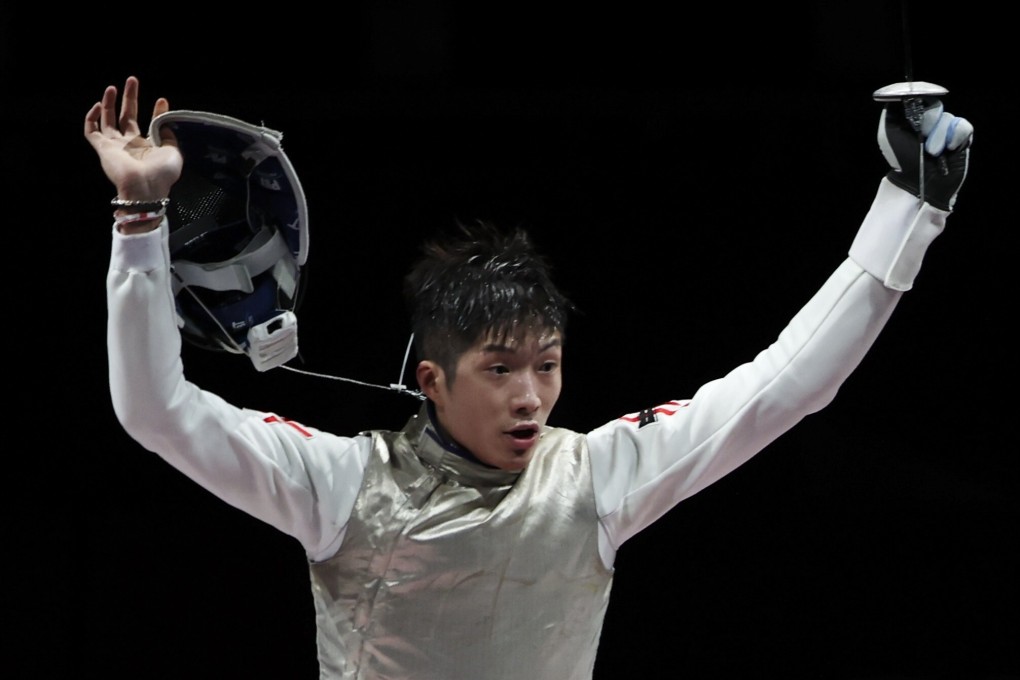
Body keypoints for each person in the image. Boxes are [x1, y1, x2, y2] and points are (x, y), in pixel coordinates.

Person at [85, 75, 974, 680]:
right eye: (500, 368)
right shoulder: (342, 486)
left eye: (546, 366)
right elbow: (157, 410)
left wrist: (910, 208)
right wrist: (139, 215)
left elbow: (787, 384)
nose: (531, 396)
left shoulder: (593, 478)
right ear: (431, 379)